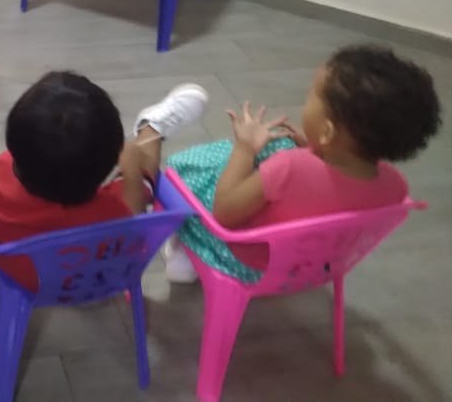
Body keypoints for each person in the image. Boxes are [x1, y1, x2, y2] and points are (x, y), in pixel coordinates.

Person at [163, 45, 442, 284]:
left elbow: (224, 212)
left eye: (311, 96)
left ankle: (186, 253)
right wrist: (316, 149)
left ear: (327, 132)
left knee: (181, 176)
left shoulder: (289, 167)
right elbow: (334, 191)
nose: (305, 102)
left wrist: (244, 148)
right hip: (311, 267)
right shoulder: (395, 186)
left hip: (245, 262)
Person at [0, 72, 209, 291]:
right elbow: (135, 221)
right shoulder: (108, 211)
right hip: (89, 280)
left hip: (20, 274)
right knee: (142, 180)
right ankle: (151, 127)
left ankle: (150, 129)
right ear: (109, 164)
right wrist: (130, 171)